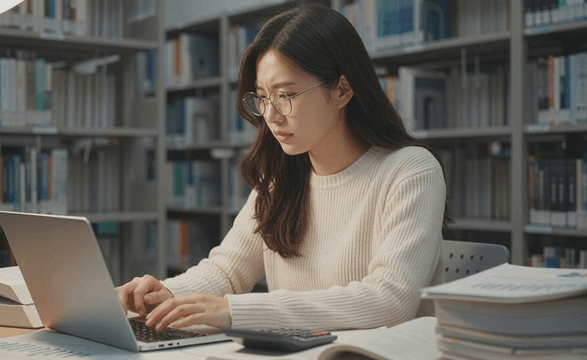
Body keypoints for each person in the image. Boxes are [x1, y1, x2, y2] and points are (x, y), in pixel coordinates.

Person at [116, 3, 449, 332]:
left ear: (343, 90)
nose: (271, 116)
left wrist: (237, 311)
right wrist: (169, 293)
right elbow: (228, 271)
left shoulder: (410, 171)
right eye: (262, 97)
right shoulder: (280, 178)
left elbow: (389, 300)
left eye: (285, 95)